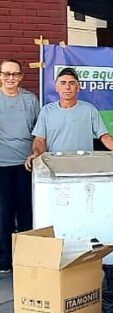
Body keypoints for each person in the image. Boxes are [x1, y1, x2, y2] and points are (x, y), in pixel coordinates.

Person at [25, 67, 113, 170]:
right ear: (56, 88)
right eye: (63, 83)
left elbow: (104, 136)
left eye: (72, 83)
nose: (67, 87)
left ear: (78, 87)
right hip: (55, 166)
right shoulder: (47, 111)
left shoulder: (89, 109)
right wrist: (36, 154)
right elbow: (40, 139)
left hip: (84, 165)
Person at [0, 59, 40, 273]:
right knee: (4, 212)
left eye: (15, 74)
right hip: (2, 164)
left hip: (26, 163)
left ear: (21, 77)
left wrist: (35, 154)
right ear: (0, 76)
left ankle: (26, 259)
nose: (11, 78)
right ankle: (4, 260)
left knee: (26, 211)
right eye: (6, 73)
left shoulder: (30, 99)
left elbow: (38, 131)